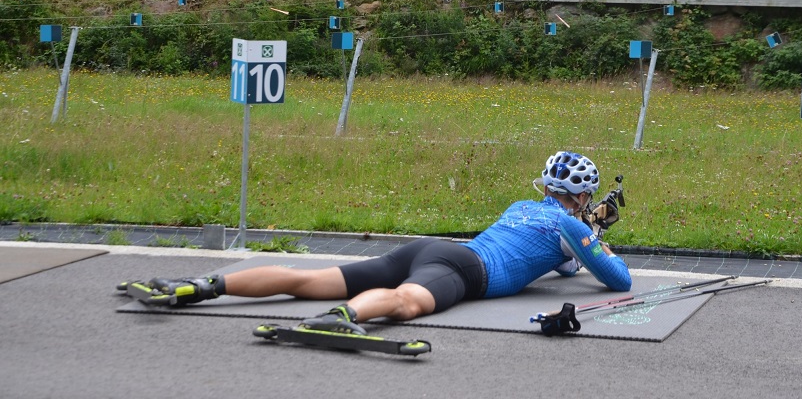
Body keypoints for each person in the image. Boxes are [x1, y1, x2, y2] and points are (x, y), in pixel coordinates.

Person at [120, 151, 631, 335]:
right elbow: (617, 278)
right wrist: (597, 237)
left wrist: (585, 241)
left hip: (430, 249)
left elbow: (558, 265)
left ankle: (198, 287)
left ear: (546, 187)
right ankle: (346, 319)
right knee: (408, 303)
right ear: (583, 195)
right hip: (468, 273)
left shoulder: (522, 209)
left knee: (306, 280)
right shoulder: (575, 228)